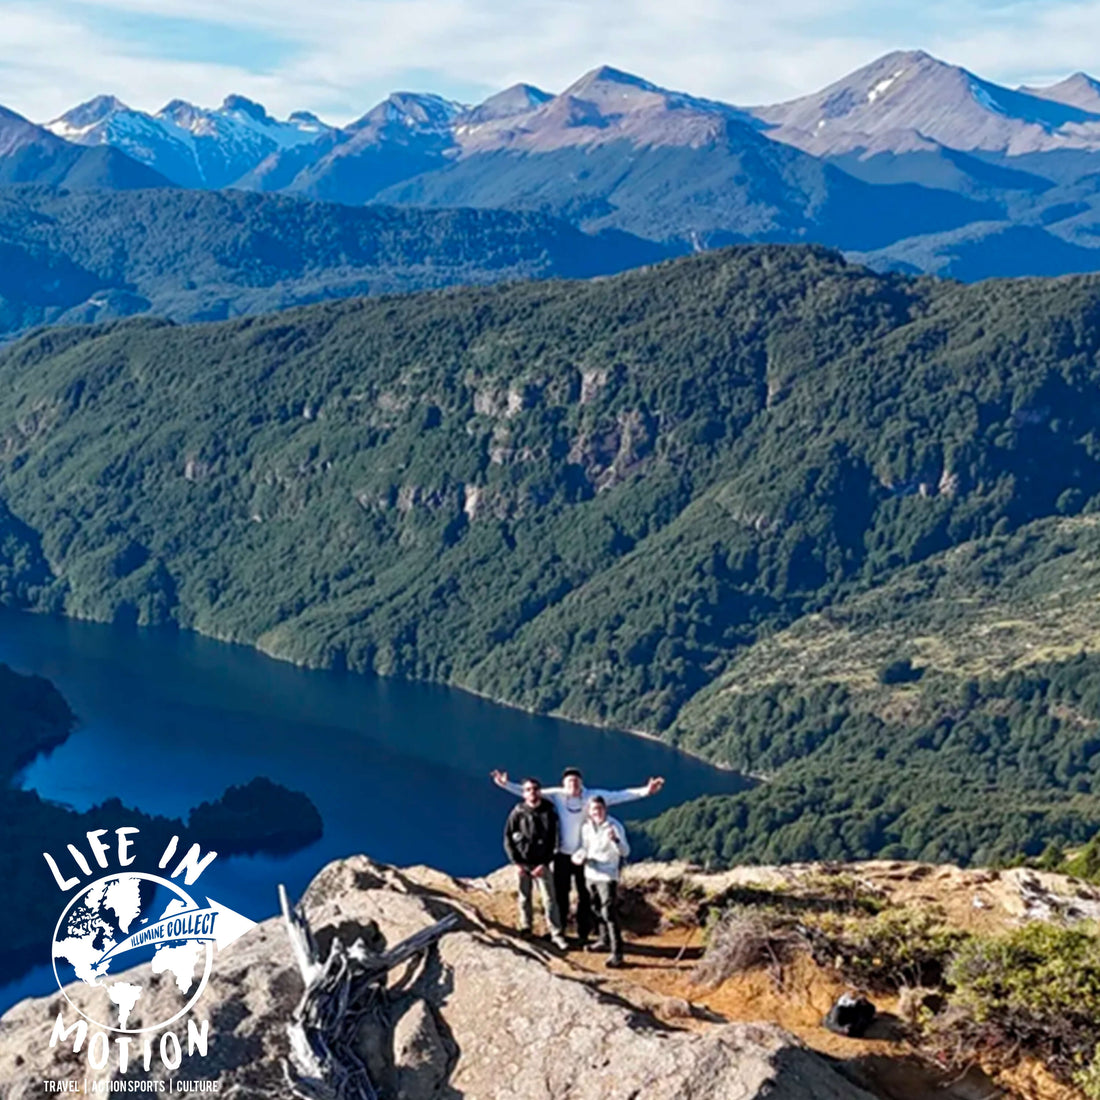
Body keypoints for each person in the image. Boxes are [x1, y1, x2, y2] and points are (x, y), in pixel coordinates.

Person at [491, 766, 663, 946]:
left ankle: (583, 933)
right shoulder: (558, 795)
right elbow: (529, 792)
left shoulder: (592, 796)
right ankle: (560, 932)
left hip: (584, 855)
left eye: (575, 781)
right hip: (562, 855)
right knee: (560, 895)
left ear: (581, 783)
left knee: (585, 896)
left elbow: (620, 795)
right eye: (569, 782)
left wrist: (646, 791)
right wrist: (505, 785)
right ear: (564, 784)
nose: (572, 784)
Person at [503, 776, 569, 950]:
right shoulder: (518, 812)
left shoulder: (549, 812)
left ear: (540, 791)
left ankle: (556, 933)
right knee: (524, 898)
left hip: (542, 864)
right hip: (522, 863)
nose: (532, 792)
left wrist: (545, 863)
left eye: (535, 789)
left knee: (549, 900)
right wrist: (516, 863)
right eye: (528, 789)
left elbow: (555, 840)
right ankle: (526, 928)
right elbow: (508, 837)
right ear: (524, 793)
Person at [572, 795, 630, 967]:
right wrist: (579, 856)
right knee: (596, 909)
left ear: (605, 809)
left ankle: (617, 953)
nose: (597, 812)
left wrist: (616, 840)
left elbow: (625, 851)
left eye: (599, 808)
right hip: (590, 873)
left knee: (609, 913)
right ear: (589, 812)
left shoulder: (614, 826)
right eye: (593, 809)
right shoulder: (586, 827)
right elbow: (585, 847)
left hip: (607, 876)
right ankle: (603, 940)